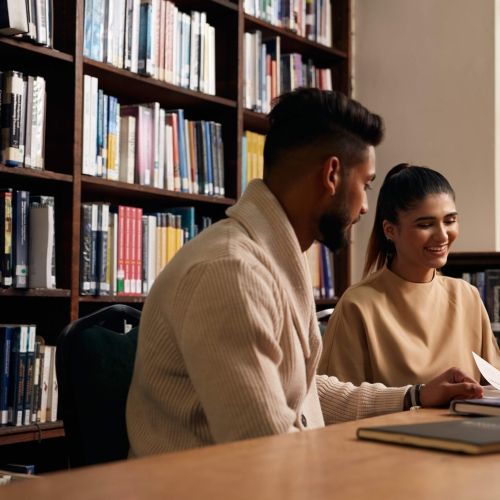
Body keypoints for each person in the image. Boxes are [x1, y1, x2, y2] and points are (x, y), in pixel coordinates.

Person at [126, 90, 483, 456]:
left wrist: (416, 395)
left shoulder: (270, 259)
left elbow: (306, 393)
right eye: (366, 185)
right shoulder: (231, 271)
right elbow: (267, 450)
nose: (364, 207)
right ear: (332, 175)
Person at [319, 163, 500, 387]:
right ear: (390, 230)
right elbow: (335, 405)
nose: (442, 235)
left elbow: (494, 390)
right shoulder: (357, 305)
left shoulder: (467, 297)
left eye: (450, 221)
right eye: (426, 224)